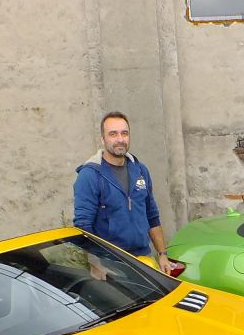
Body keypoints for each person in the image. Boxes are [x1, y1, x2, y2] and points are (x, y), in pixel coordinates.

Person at [73, 112, 175, 275]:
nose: (120, 139)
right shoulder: (90, 175)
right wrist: (95, 264)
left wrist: (162, 254)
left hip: (143, 259)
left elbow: (152, 216)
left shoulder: (140, 170)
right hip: (110, 265)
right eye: (113, 134)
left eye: (124, 133)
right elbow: (83, 226)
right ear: (103, 139)